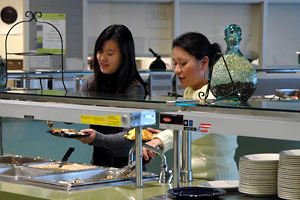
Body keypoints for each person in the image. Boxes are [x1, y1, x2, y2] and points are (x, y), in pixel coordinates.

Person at [143, 32, 239, 180]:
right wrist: (162, 136)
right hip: (192, 178)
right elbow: (186, 129)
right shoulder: (190, 91)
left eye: (183, 64)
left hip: (217, 180)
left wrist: (161, 140)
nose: (176, 70)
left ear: (204, 62)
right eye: (175, 64)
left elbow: (195, 126)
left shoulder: (212, 95)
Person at [78, 24, 147, 168]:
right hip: (98, 163)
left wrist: (97, 138)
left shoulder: (134, 89)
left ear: (124, 55)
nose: (102, 58)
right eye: (99, 51)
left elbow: (130, 136)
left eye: (110, 54)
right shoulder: (90, 83)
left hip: (128, 165)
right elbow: (75, 114)